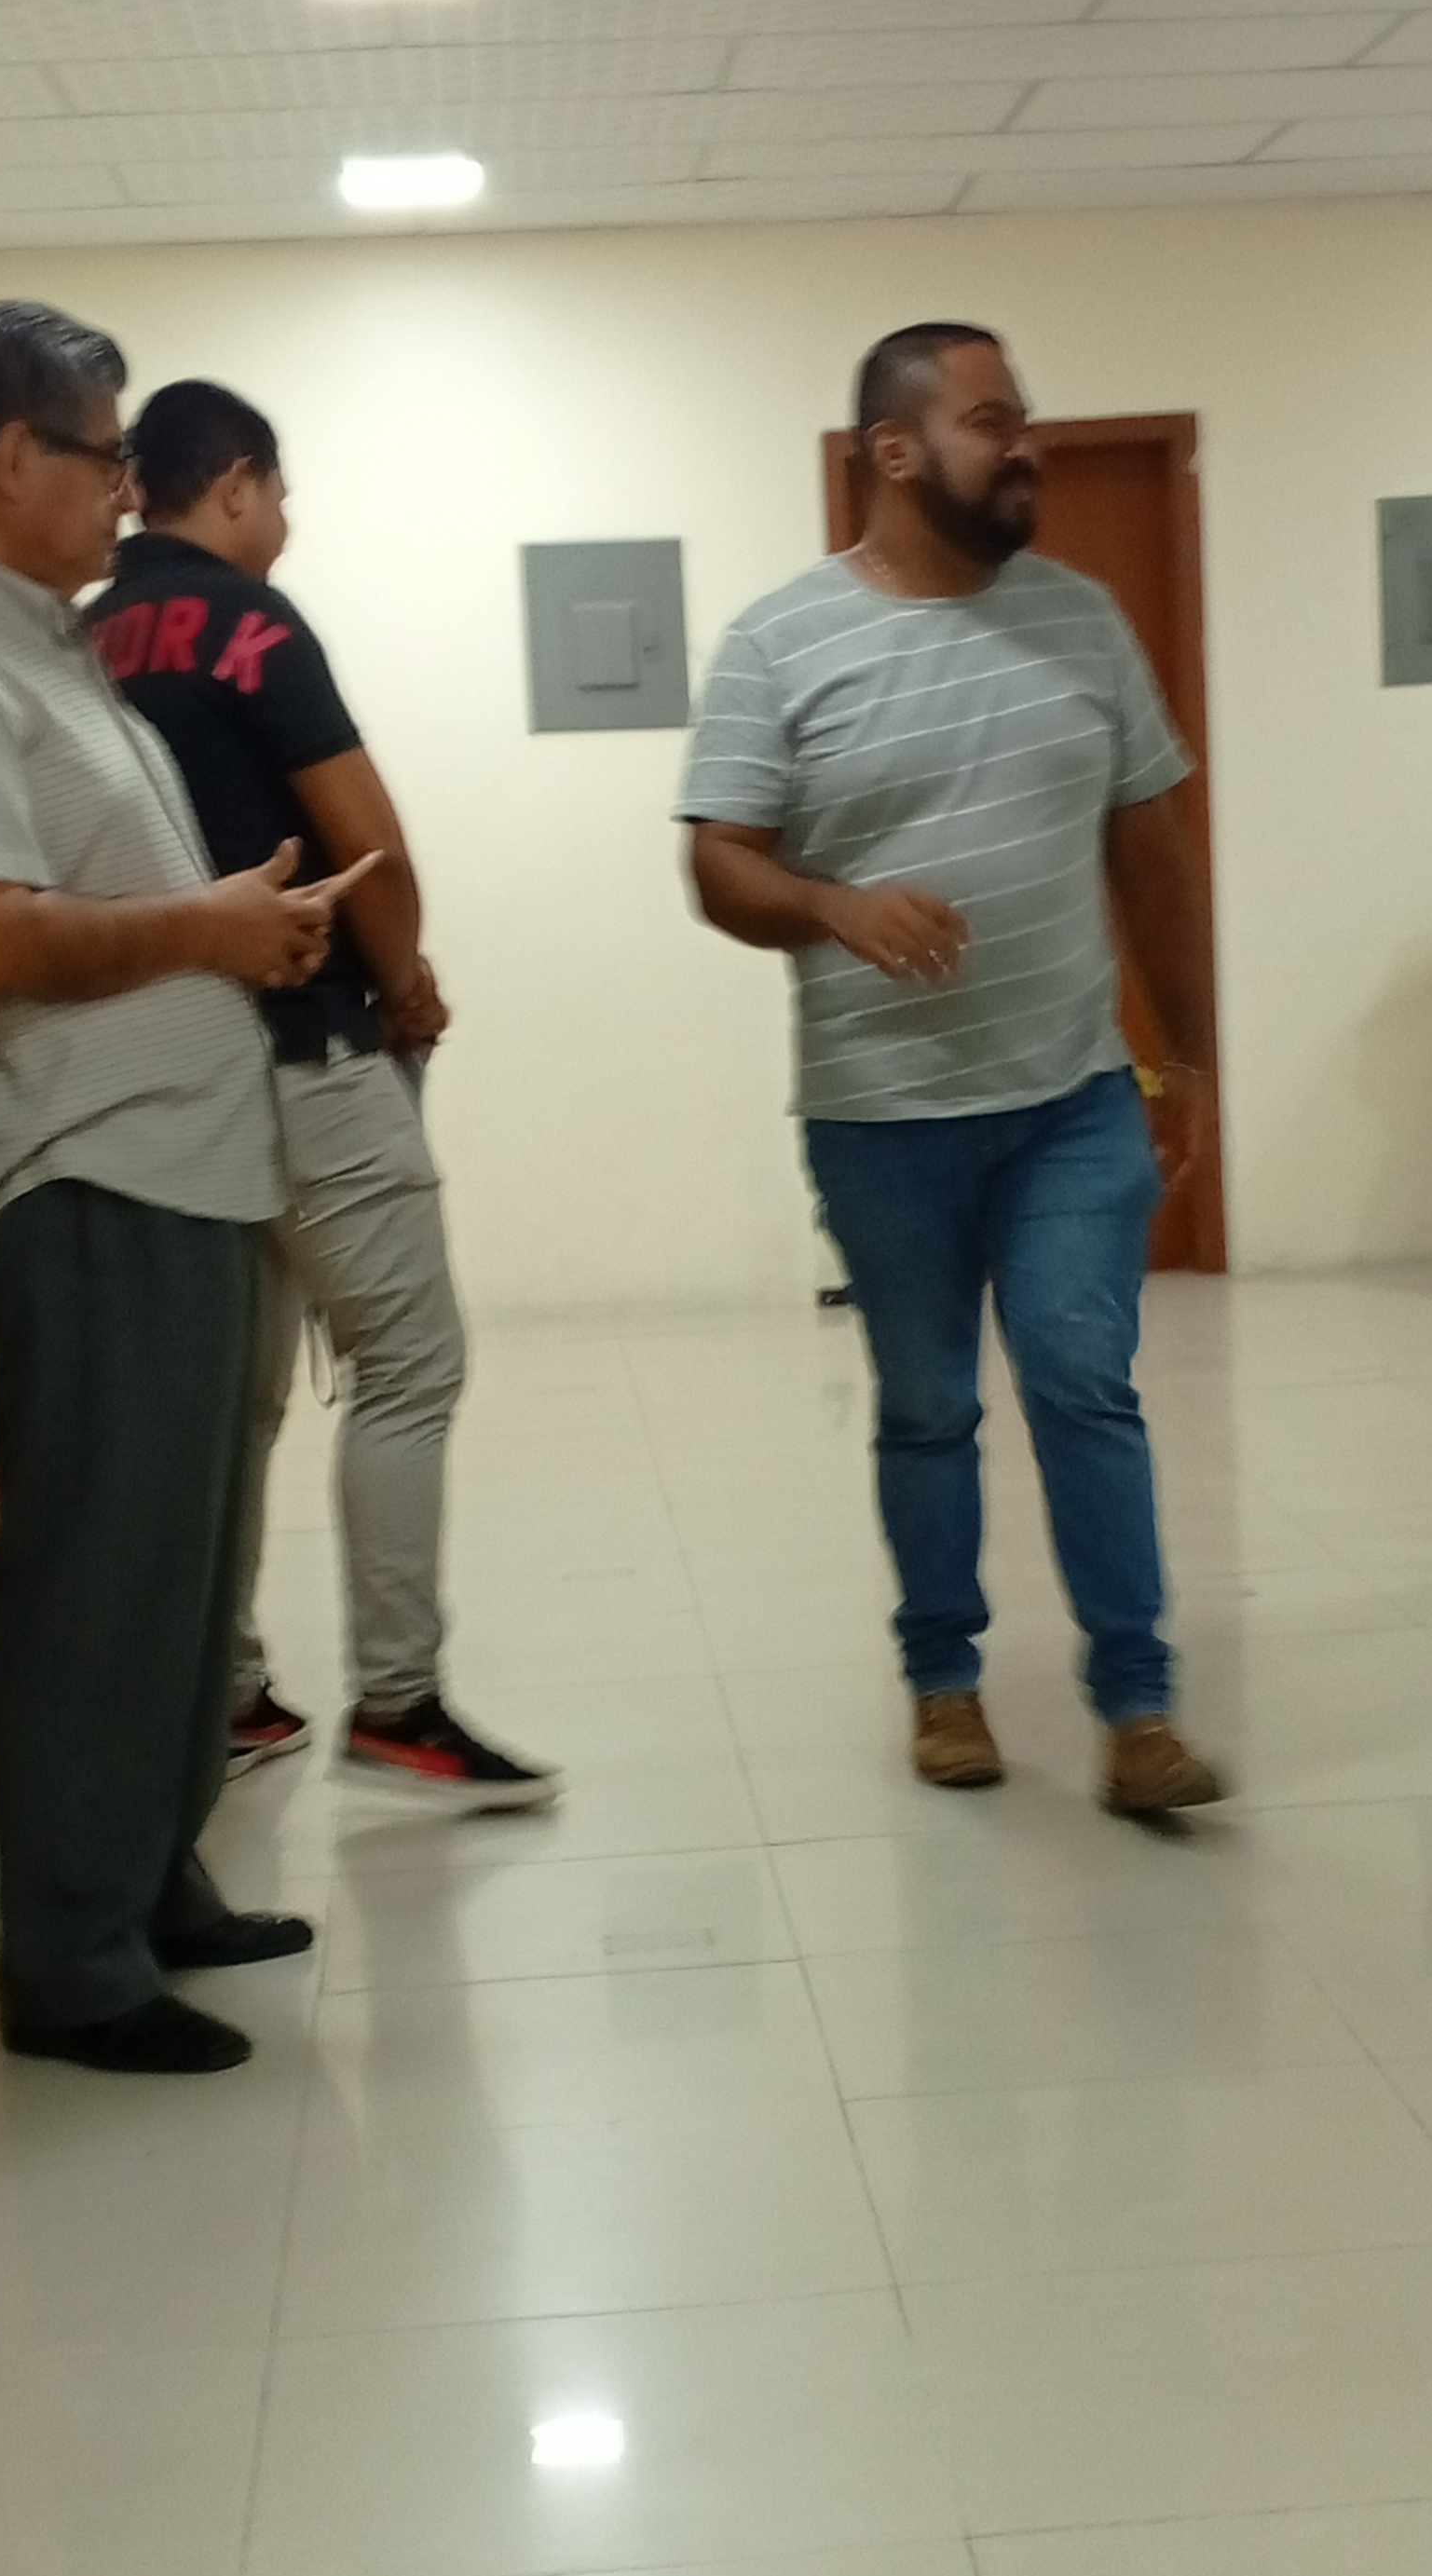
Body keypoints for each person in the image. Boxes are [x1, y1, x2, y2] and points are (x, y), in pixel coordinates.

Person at [0, 300, 348, 2076]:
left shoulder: (43, 643)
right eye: (109, 456)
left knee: (187, 1573)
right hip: (81, 1172)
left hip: (182, 1162)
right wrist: (208, 926)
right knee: (99, 1576)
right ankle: (71, 1957)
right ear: (9, 458)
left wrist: (239, 930)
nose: (131, 490)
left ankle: (153, 1879)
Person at [680, 320, 1225, 1817]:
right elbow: (718, 864)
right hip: (882, 1116)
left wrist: (1190, 1059)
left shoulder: (1084, 621)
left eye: (1023, 417)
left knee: (1082, 1380)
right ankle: (944, 1682)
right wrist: (830, 905)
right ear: (896, 451)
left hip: (1071, 1097)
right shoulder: (781, 641)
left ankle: (1139, 1709)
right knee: (926, 1405)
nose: (1025, 445)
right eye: (992, 421)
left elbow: (1153, 853)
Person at [86, 380, 554, 1811]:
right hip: (306, 1047)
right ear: (234, 482)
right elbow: (367, 846)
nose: (284, 523)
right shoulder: (254, 624)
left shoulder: (81, 636)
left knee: (237, 1398)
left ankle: (227, 1696)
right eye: (278, 495)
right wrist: (404, 984)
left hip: (163, 1069)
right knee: (409, 1362)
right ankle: (401, 1705)